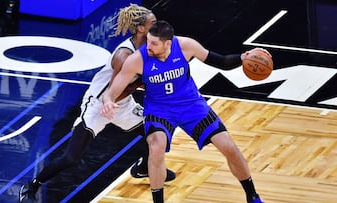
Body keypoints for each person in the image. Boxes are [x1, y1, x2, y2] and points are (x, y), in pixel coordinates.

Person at [19, 5, 176, 202]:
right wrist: (145, 82)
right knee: (71, 158)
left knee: (155, 133)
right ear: (140, 29)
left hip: (123, 103)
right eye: (152, 23)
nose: (156, 26)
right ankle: (32, 185)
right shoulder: (124, 55)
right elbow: (115, 91)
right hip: (100, 104)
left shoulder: (150, 48)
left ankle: (144, 167)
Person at [101, 20, 270, 203]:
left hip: (191, 105)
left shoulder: (186, 46)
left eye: (153, 43)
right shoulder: (137, 59)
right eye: (148, 41)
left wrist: (242, 58)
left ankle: (252, 195)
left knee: (228, 147)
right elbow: (112, 90)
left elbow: (221, 62)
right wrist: (108, 101)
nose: (148, 46)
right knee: (156, 148)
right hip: (160, 109)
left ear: (168, 43)